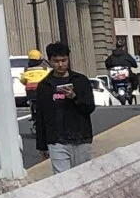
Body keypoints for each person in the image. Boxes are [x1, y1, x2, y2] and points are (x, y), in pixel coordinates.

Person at [32, 41, 95, 174]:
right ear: (49, 61)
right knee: (62, 179)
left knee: (83, 176)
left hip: (81, 138)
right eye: (56, 61)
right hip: (56, 140)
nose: (60, 64)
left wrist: (74, 97)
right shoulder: (45, 86)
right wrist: (42, 146)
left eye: (63, 60)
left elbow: (89, 107)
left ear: (68, 59)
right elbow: (40, 116)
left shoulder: (81, 81)